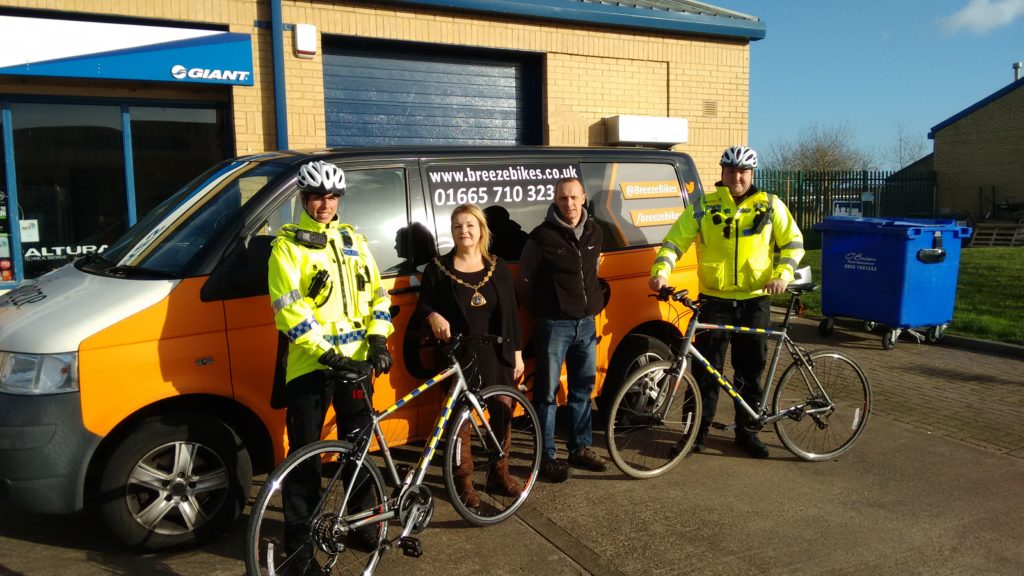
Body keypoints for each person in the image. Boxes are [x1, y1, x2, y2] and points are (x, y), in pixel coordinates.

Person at [267, 159, 394, 558]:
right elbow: (290, 312)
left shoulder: (353, 240)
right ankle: (299, 546)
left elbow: (378, 295)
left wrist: (378, 339)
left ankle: (361, 524)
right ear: (305, 199)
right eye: (319, 197)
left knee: (359, 447)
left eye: (332, 196)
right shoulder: (286, 248)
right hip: (311, 366)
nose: (326, 204)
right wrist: (327, 354)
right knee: (305, 456)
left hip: (356, 365)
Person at [649, 146, 804, 459]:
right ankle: (695, 433)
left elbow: (794, 243)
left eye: (743, 171)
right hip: (714, 301)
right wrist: (660, 272)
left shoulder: (770, 205)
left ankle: (747, 433)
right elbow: (673, 242)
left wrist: (783, 274)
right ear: (722, 173)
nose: (737, 176)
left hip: (755, 301)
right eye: (731, 170)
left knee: (749, 371)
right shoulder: (703, 206)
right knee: (706, 372)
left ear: (752, 174)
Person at [416, 204, 525, 508]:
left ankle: (498, 472)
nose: (464, 231)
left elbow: (512, 315)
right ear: (451, 231)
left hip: (497, 352)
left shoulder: (497, 266)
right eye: (457, 226)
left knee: (502, 413)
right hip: (458, 356)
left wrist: (516, 353)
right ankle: (463, 481)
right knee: (459, 423)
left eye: (470, 225)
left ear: (481, 229)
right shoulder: (438, 268)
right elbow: (422, 305)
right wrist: (432, 315)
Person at [519, 177, 609, 482]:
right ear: (554, 201)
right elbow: (525, 282)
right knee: (546, 394)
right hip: (553, 325)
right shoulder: (540, 237)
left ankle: (580, 447)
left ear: (583, 198)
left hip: (586, 324)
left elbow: (595, 269)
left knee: (582, 389)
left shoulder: (596, 231)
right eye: (562, 198)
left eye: (573, 197)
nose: (568, 203)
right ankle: (546, 455)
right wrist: (546, 310)